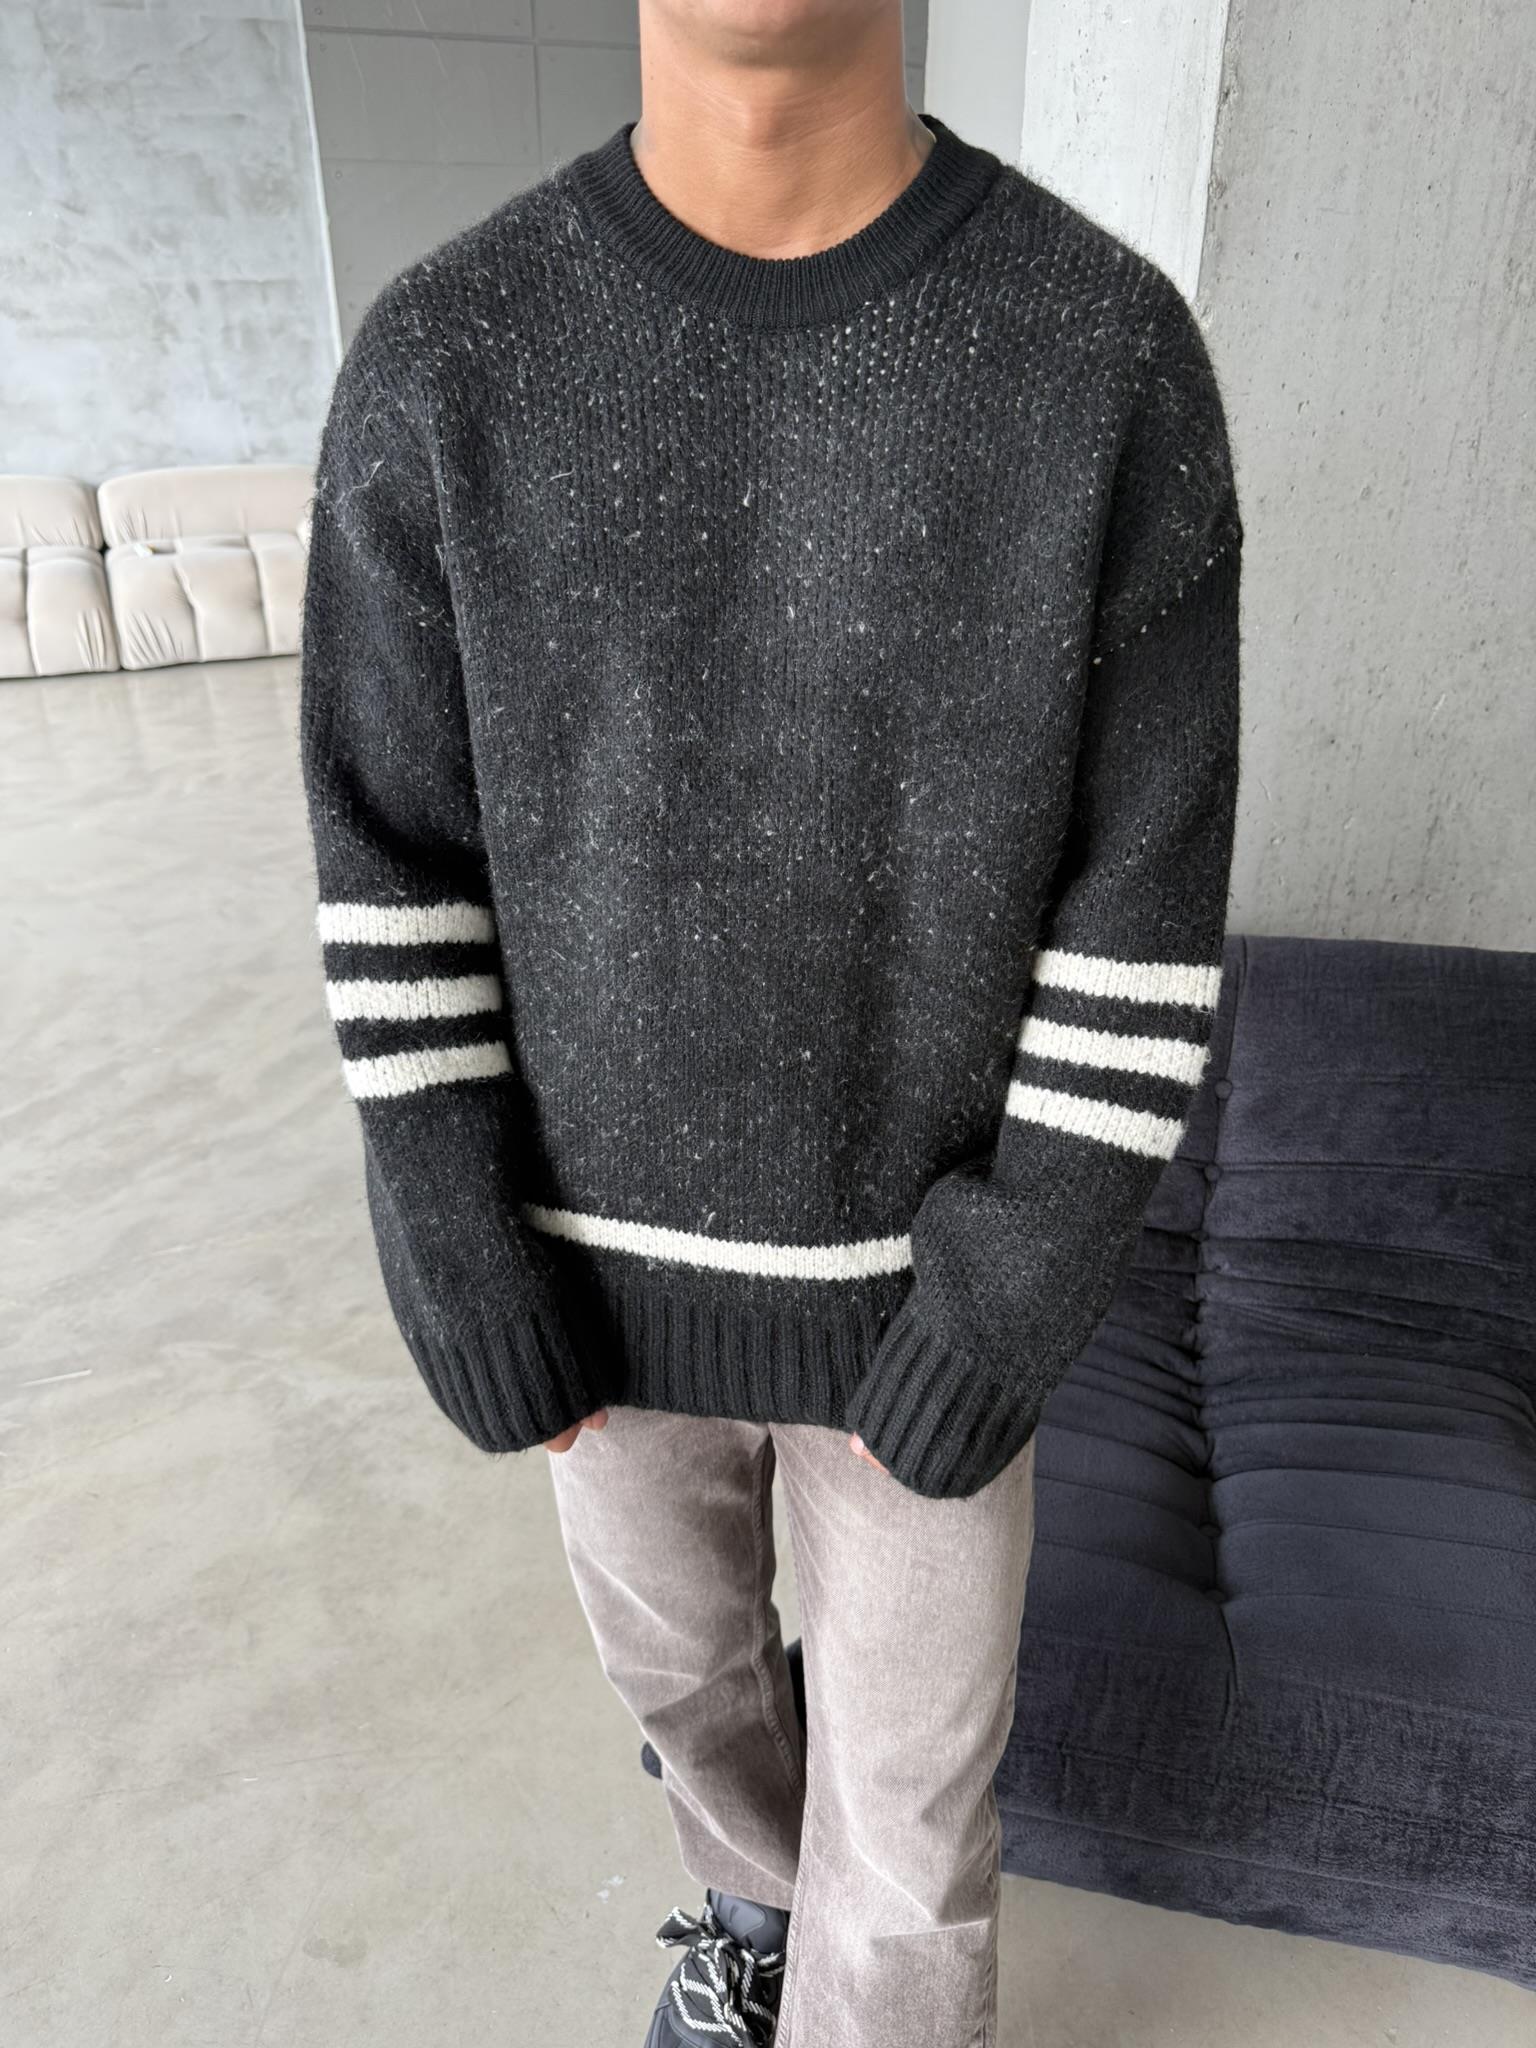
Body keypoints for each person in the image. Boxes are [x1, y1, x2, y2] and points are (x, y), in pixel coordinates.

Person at [296, 0, 1242, 2039]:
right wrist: (456, 1242)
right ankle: (746, 1917)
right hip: (590, 1296)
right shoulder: (446, 359)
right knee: (688, 1692)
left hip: (931, 1300)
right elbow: (395, 857)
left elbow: (1144, 904)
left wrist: (1009, 1299)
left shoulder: (1104, 359)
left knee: (912, 1832)